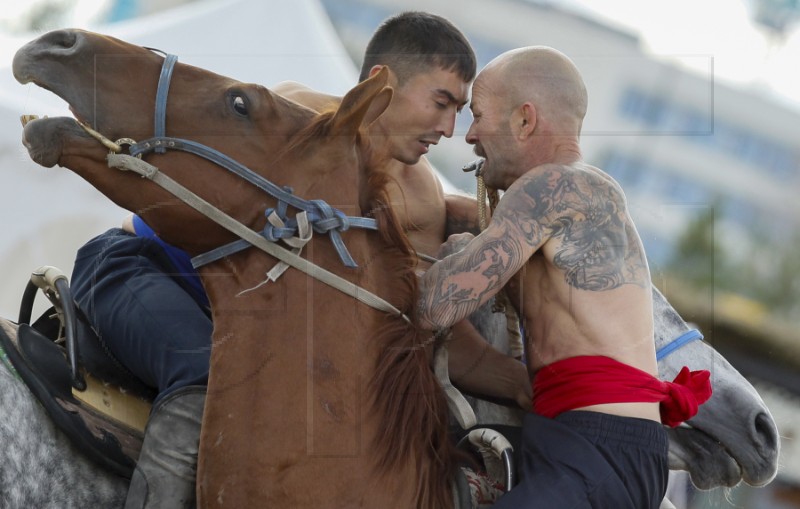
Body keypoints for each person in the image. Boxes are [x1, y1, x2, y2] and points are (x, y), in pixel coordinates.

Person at [70, 11, 528, 508]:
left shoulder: (421, 196)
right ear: (381, 84)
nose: (449, 127)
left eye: (460, 110)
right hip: (140, 267)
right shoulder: (293, 113)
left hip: (238, 321)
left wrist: (539, 385)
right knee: (205, 385)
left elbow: (418, 315)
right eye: (441, 102)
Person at [417, 46, 712, 508]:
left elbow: (434, 306)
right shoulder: (566, 198)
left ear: (524, 120)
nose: (469, 135)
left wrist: (454, 254)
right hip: (588, 443)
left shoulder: (555, 186)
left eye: (478, 116)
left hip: (598, 447)